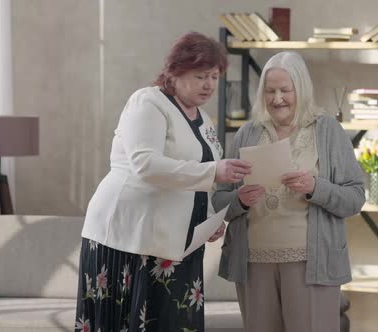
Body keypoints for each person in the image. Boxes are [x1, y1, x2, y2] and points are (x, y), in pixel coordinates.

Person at [74, 32, 252, 332]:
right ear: (175, 72)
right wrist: (213, 173)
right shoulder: (148, 102)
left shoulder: (203, 118)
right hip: (128, 237)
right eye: (199, 76)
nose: (209, 85)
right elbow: (146, 164)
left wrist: (209, 217)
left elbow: (197, 173)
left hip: (177, 243)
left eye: (213, 76)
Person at [212, 51, 365, 332]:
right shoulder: (248, 132)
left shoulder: (328, 130)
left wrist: (315, 187)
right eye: (270, 91)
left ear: (302, 89)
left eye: (285, 90)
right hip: (254, 265)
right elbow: (220, 199)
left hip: (311, 265)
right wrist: (239, 201)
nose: (277, 98)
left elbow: (355, 198)